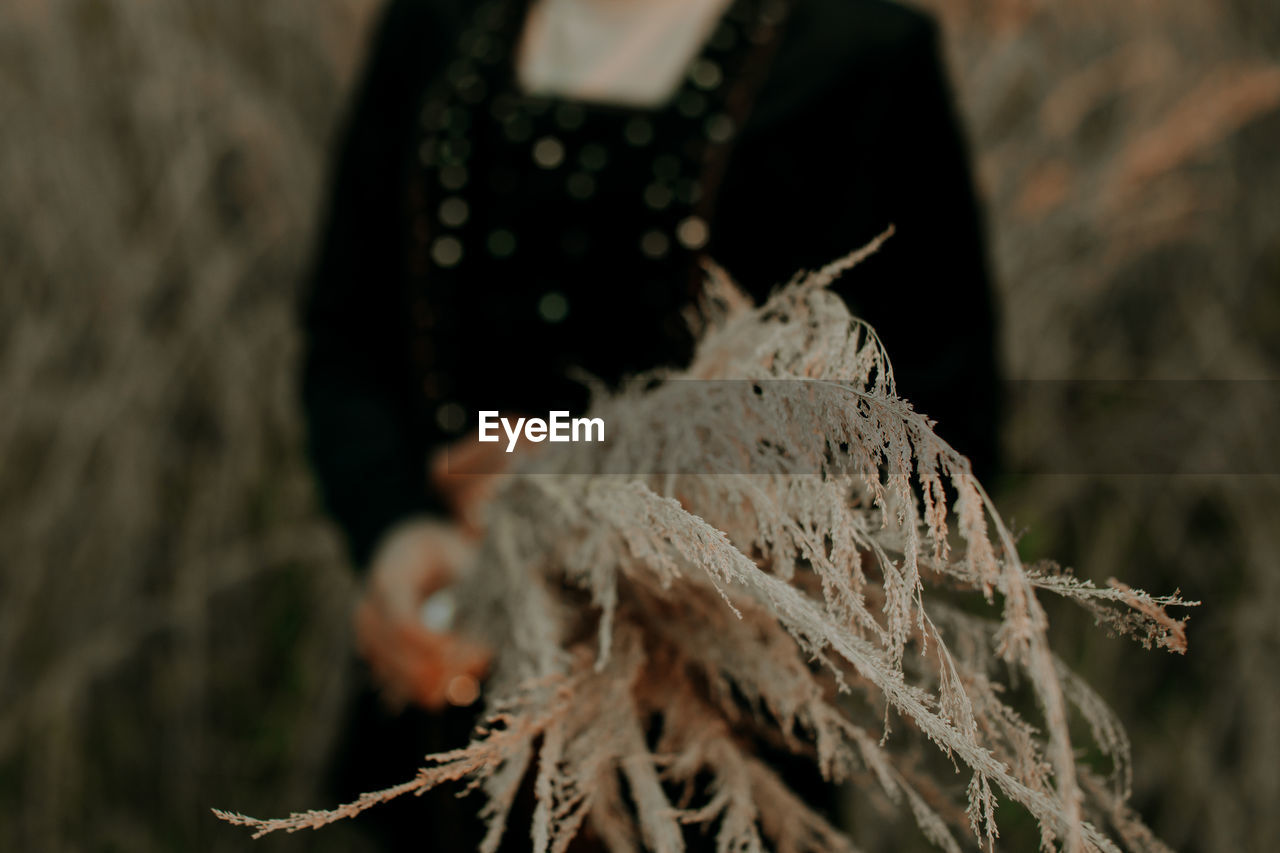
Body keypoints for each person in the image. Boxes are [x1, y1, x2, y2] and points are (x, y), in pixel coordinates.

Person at [302, 0, 1001, 848]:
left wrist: (591, 468)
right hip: (440, 728)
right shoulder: (438, 27)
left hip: (711, 768)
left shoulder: (853, 55)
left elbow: (931, 440)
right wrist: (395, 532)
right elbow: (348, 340)